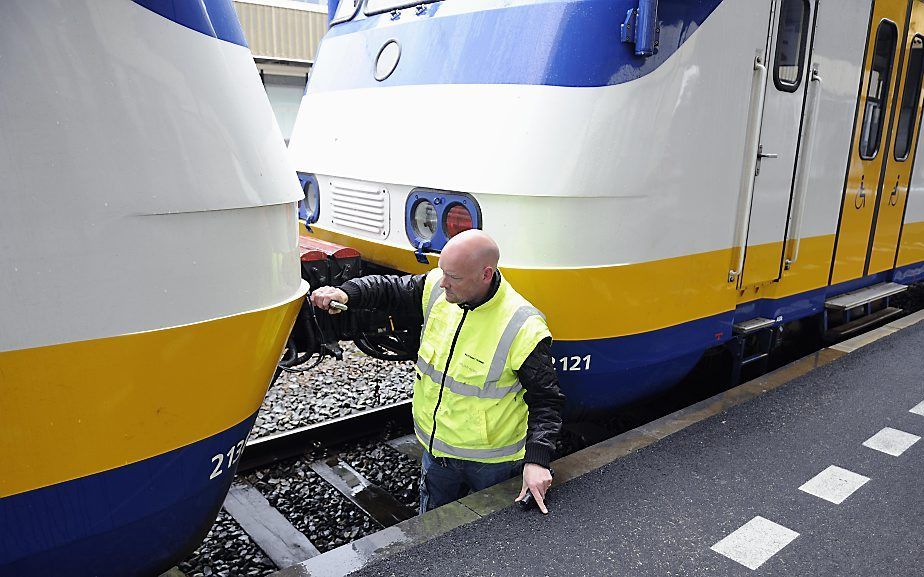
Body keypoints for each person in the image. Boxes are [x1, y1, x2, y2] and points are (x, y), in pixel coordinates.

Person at [310, 229, 565, 514]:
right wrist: (346, 292)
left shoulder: (523, 327)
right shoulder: (437, 288)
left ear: (485, 274)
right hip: (437, 453)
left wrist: (537, 461)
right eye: (442, 271)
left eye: (453, 277)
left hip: (492, 463)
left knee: (494, 542)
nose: (443, 283)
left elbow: (546, 400)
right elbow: (389, 289)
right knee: (431, 534)